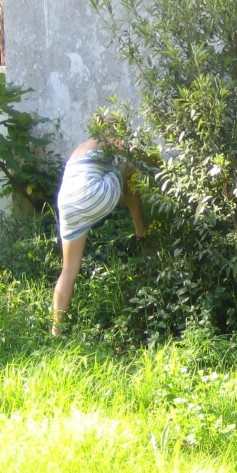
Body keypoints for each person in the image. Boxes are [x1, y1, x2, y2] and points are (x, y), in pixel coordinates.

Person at [51, 137, 148, 335]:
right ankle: (141, 229)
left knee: (68, 270)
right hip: (92, 194)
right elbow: (137, 153)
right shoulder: (105, 140)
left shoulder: (80, 147)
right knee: (129, 168)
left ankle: (56, 330)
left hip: (68, 204)